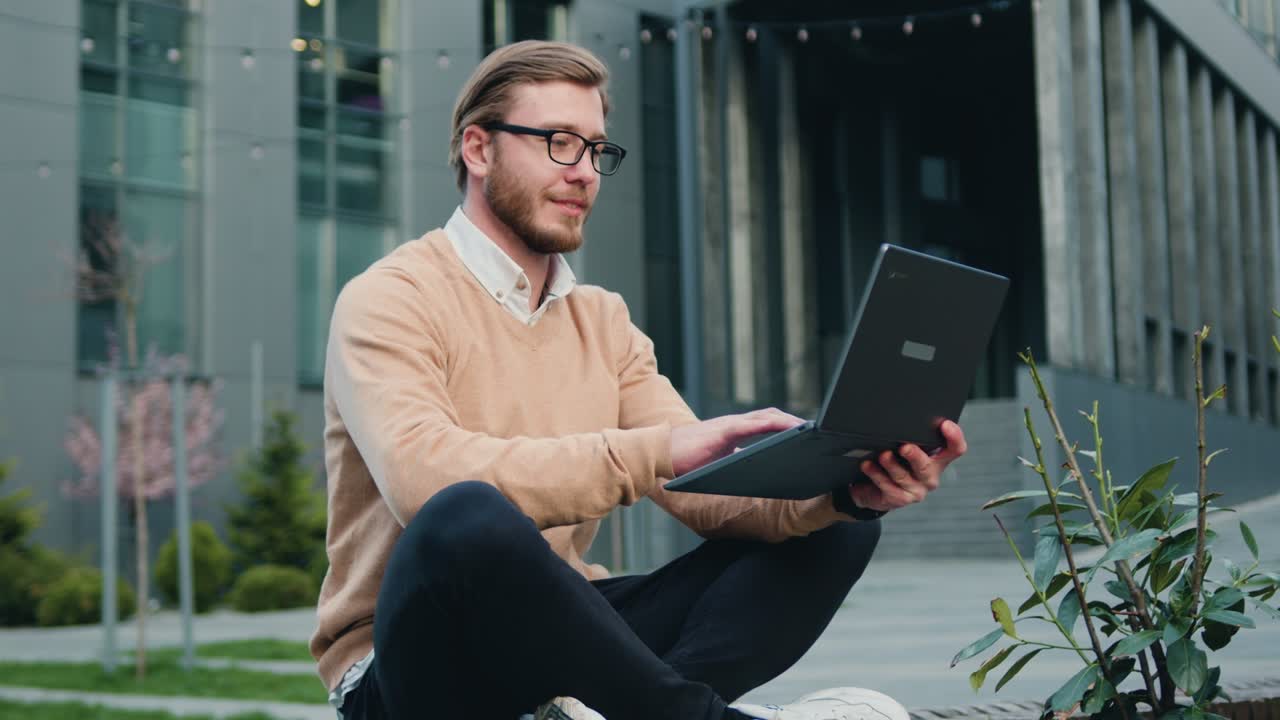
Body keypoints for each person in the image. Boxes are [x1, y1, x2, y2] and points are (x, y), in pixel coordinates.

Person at [310, 40, 968, 720]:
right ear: (479, 150)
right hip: (413, 669)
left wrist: (851, 487)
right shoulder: (391, 297)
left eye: (597, 150)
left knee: (832, 528)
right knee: (463, 514)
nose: (585, 172)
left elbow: (712, 497)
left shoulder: (603, 320)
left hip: (558, 655)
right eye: (560, 143)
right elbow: (425, 483)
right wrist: (661, 450)